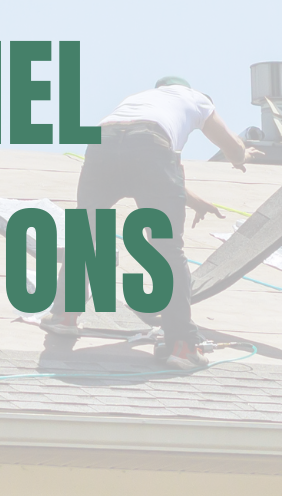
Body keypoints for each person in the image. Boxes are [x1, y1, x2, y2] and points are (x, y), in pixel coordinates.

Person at [72, 76, 257, 368]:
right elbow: (229, 147)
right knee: (167, 249)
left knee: (88, 234)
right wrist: (241, 156)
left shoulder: (142, 102)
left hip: (102, 143)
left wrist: (195, 201)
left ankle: (63, 316)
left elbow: (162, 168)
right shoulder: (197, 99)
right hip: (149, 146)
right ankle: (182, 346)